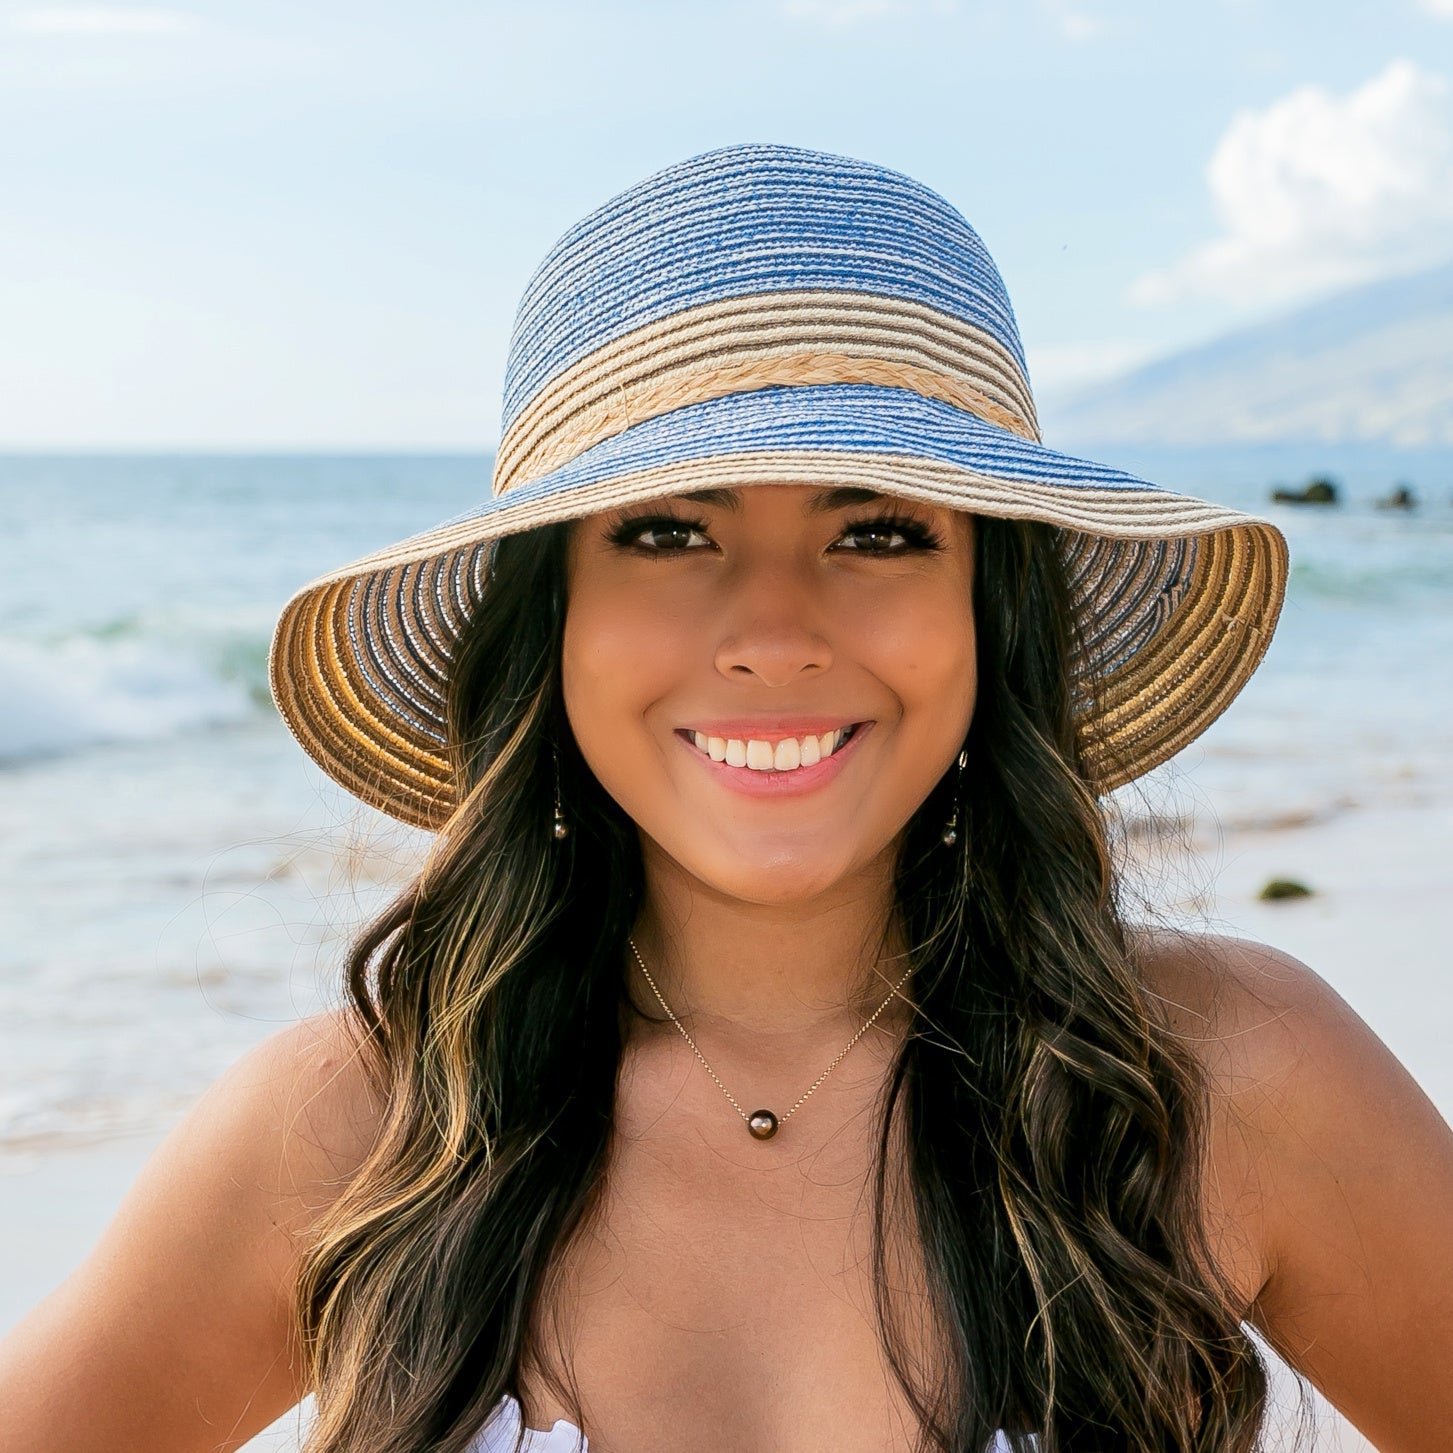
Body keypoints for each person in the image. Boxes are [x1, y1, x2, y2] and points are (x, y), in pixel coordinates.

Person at [2, 144, 1450, 1453]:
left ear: (985, 610)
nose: (770, 629)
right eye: (666, 530)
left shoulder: (1222, 1082)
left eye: (876, 528)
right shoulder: (357, 1130)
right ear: (550, 617)